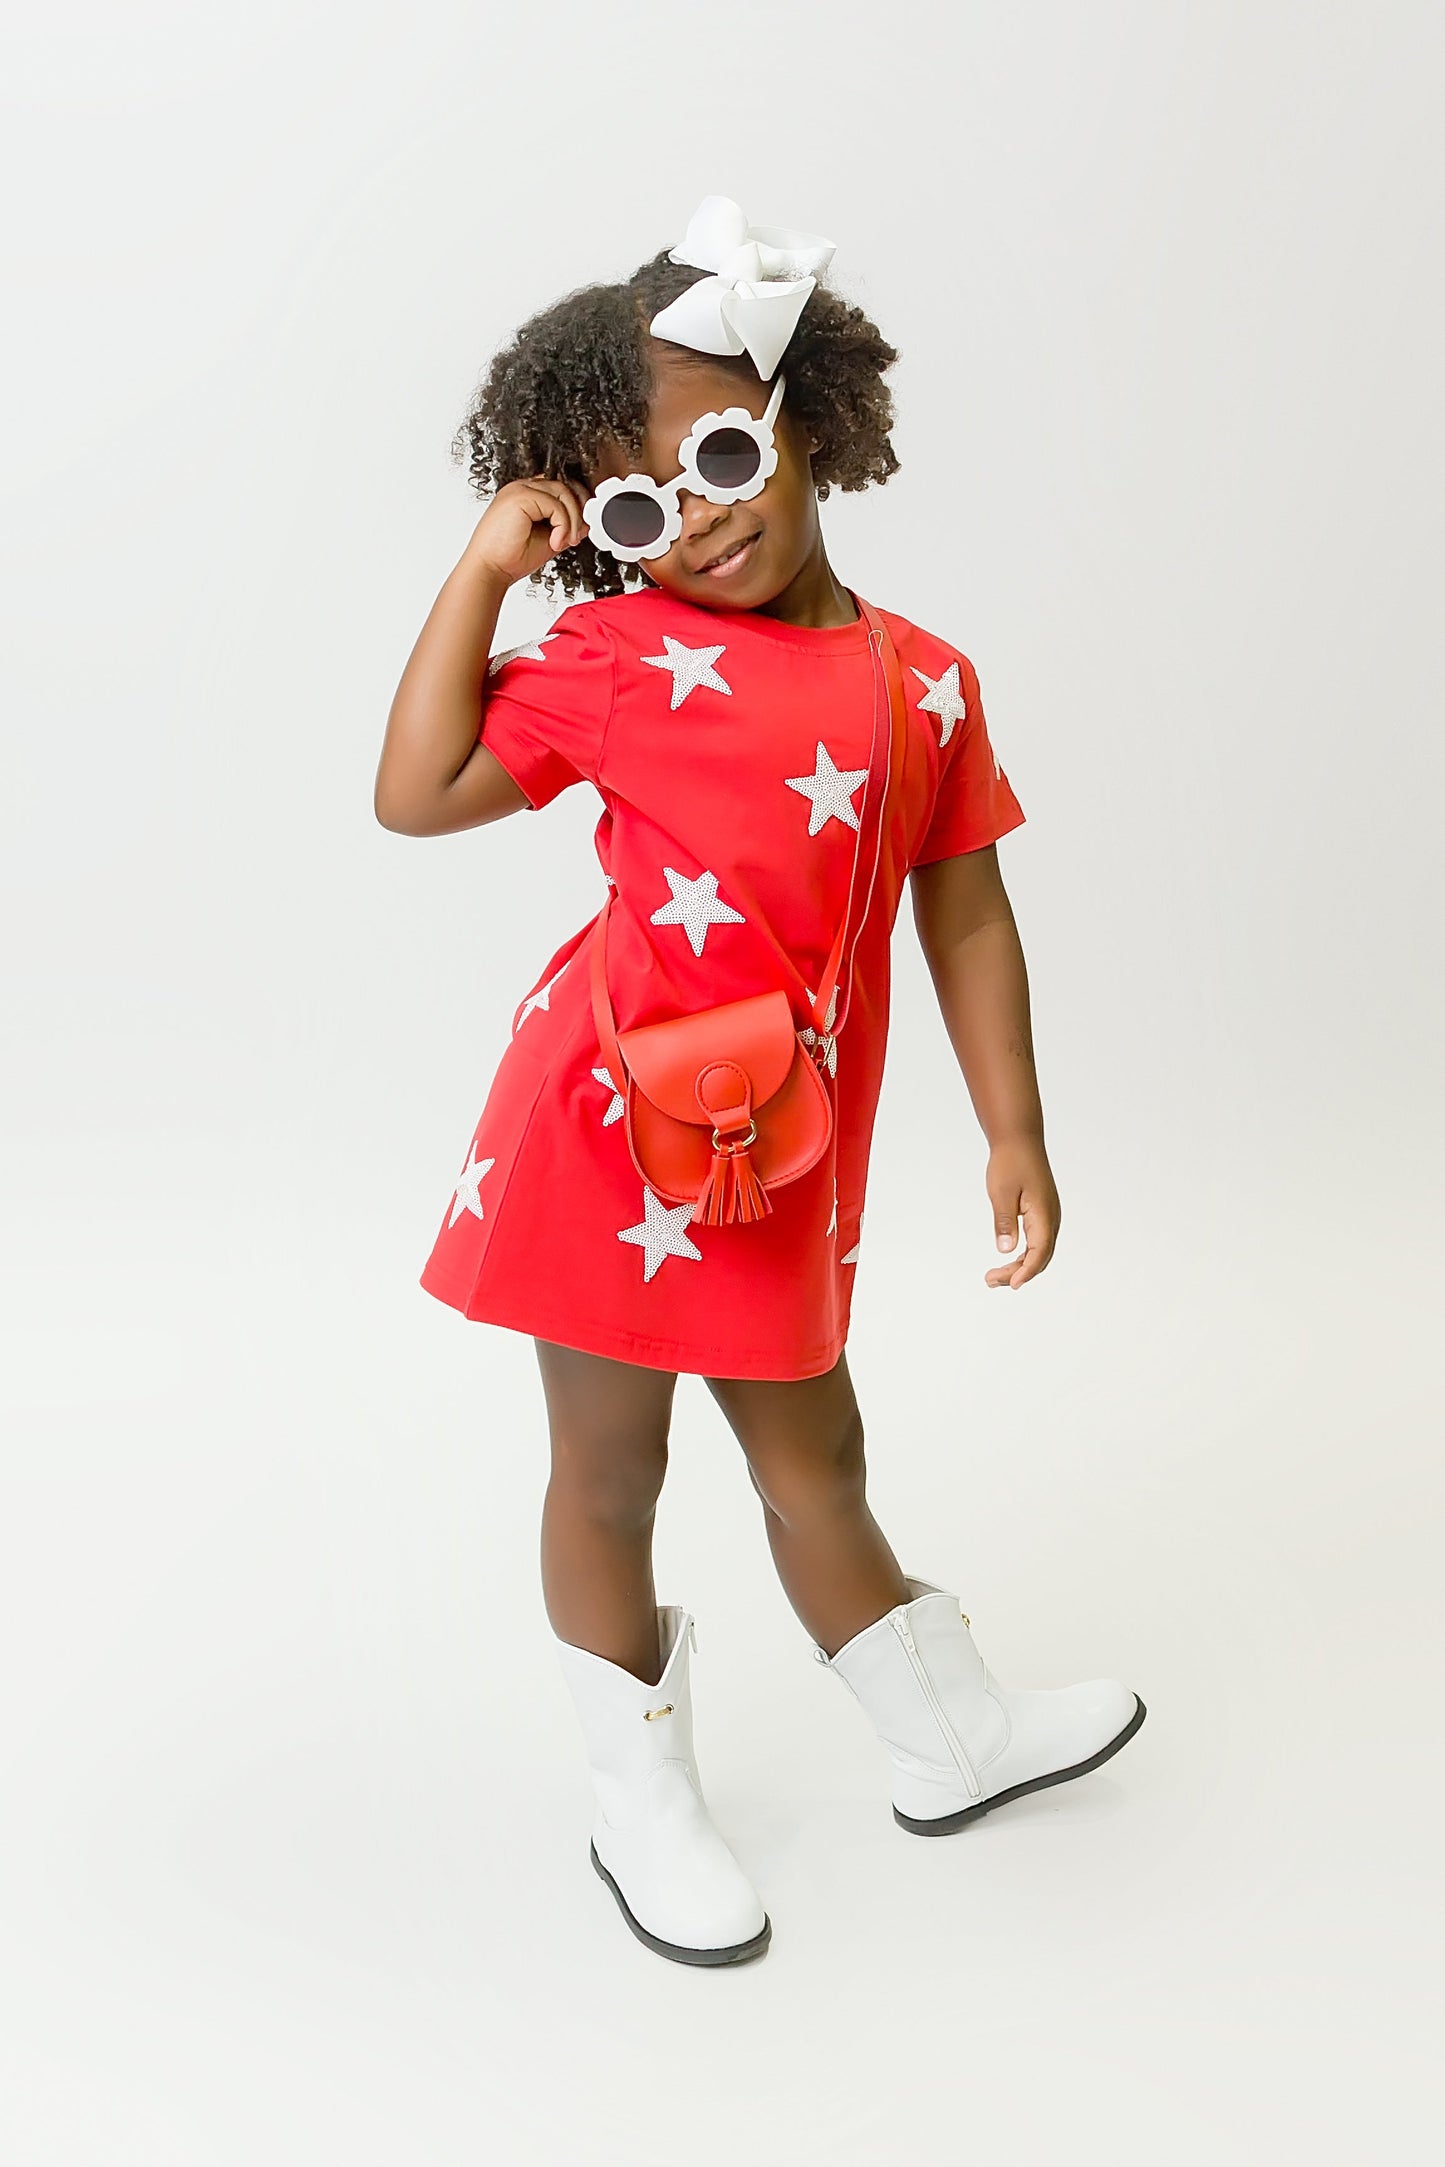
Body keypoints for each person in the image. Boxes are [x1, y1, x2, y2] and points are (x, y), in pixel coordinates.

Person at [374, 197, 1145, 1970]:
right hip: (599, 1131)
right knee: (609, 1470)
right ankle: (635, 1804)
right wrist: (488, 571)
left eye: (720, 453)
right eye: (637, 505)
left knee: (818, 1451)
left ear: (802, 417)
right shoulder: (611, 658)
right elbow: (414, 794)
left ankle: (942, 1736)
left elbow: (964, 915)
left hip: (782, 1152)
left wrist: (1012, 1124)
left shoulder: (918, 680)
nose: (696, 517)